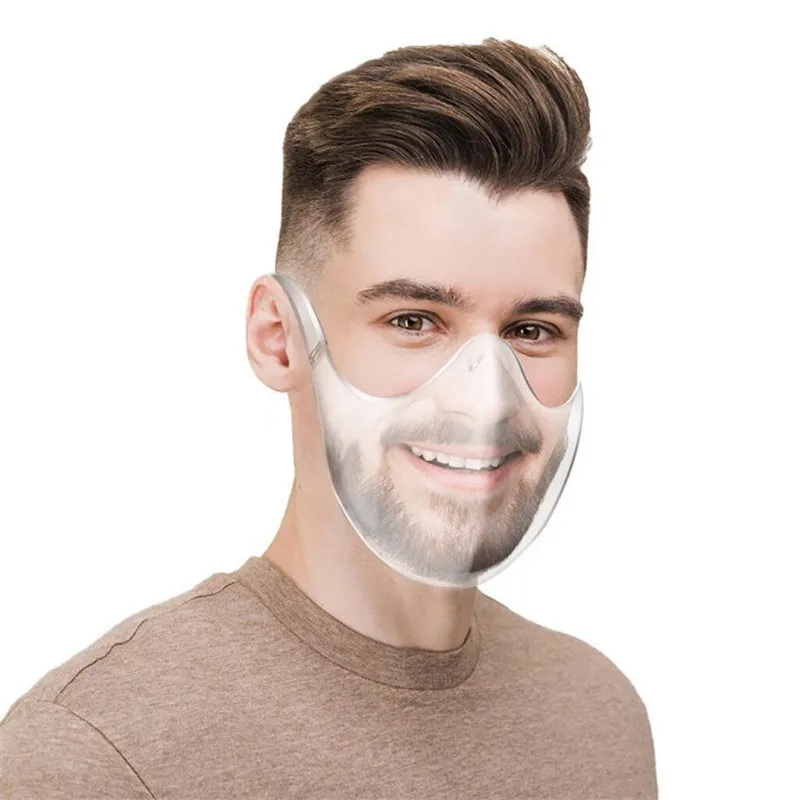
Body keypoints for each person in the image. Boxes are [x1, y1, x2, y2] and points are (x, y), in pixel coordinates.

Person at [0, 38, 658, 798]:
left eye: (532, 330)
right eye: (413, 321)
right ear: (278, 337)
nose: (486, 399)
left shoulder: (595, 716)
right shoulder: (98, 755)